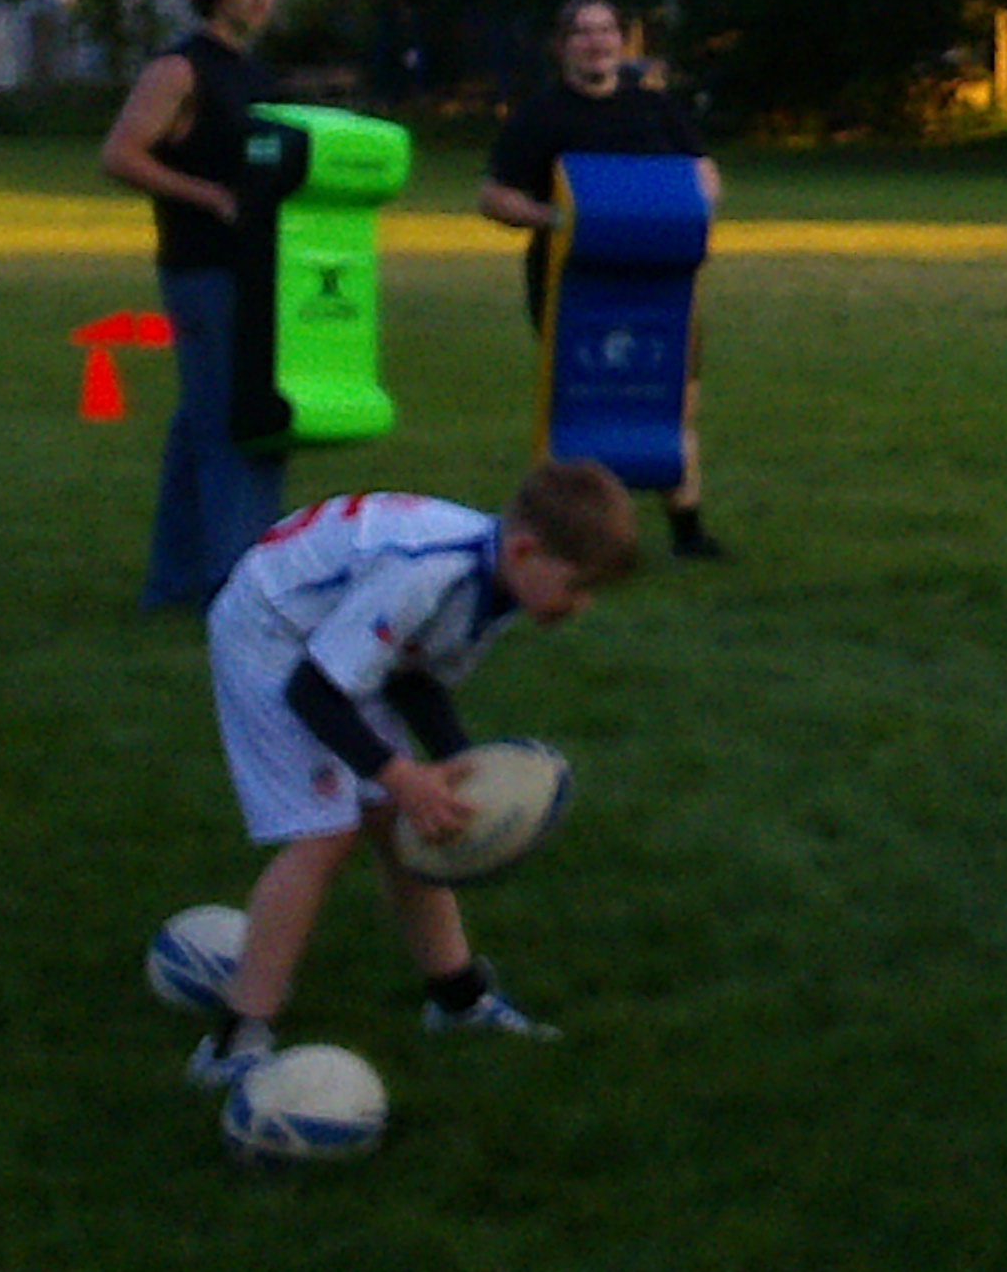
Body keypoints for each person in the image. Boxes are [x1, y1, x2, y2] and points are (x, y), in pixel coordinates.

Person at [184, 457, 657, 1088]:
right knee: (325, 835)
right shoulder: (428, 571)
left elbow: (414, 678)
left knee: (402, 821)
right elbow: (314, 692)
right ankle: (236, 1039)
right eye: (576, 585)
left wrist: (458, 763)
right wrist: (405, 776)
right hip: (270, 630)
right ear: (525, 550)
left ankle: (458, 998)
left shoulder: (496, 583)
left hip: (325, 638)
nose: (582, 604)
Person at [478, 0, 728, 560]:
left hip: (664, 287)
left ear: (623, 40)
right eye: (583, 33)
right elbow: (493, 197)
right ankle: (565, 533)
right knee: (586, 406)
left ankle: (689, 534)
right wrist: (558, 220)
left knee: (673, 401)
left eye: (606, 31)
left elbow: (704, 173)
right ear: (562, 46)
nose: (597, 43)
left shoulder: (656, 108)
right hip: (576, 291)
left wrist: (694, 216)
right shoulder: (542, 116)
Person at [100, 0, 290, 614]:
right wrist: (207, 196)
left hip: (259, 269)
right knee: (240, 426)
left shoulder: (258, 75)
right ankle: (242, 593)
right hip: (203, 268)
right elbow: (120, 155)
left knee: (200, 428)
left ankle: (174, 584)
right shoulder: (180, 68)